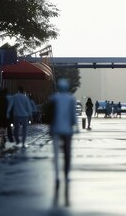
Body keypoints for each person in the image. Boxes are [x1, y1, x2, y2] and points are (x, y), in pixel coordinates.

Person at [49, 78, 78, 206]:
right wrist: (76, 127)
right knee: (67, 154)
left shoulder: (53, 98)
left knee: (56, 154)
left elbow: (50, 115)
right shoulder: (71, 98)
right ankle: (66, 175)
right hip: (67, 130)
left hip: (55, 129)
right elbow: (73, 115)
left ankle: (56, 176)